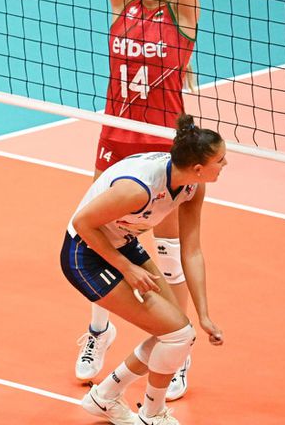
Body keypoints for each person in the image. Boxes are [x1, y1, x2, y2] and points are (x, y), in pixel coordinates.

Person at [74, 0, 220, 402]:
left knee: (166, 252)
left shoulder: (183, 19)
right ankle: (99, 330)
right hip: (115, 138)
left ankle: (176, 350)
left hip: (164, 146)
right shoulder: (125, 7)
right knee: (97, 237)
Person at [61, 114, 225, 425]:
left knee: (180, 331)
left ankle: (105, 396)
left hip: (121, 242)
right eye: (220, 160)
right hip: (85, 254)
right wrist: (127, 268)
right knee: (176, 334)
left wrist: (204, 314)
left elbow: (192, 251)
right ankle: (152, 414)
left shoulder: (192, 186)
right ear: (198, 167)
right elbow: (82, 224)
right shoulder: (139, 188)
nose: (225, 164)